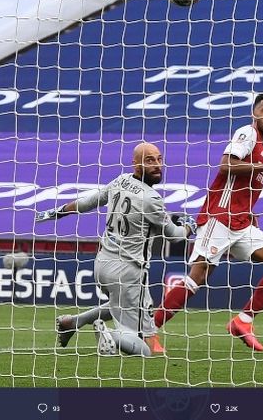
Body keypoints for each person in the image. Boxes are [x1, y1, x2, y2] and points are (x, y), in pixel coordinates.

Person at [153, 92, 263, 352]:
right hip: (219, 217)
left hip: (240, 222)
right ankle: (150, 330)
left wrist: (249, 211)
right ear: (254, 113)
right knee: (198, 277)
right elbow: (226, 166)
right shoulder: (247, 134)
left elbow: (241, 187)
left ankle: (243, 321)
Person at [36, 142, 195, 356]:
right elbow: (175, 237)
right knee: (145, 348)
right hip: (129, 271)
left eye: (159, 159)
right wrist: (189, 226)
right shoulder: (151, 198)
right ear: (135, 164)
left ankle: (72, 322)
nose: (157, 165)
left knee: (119, 304)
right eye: (150, 160)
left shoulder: (120, 181)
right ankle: (110, 335)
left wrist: (57, 211)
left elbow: (86, 203)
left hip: (102, 264)